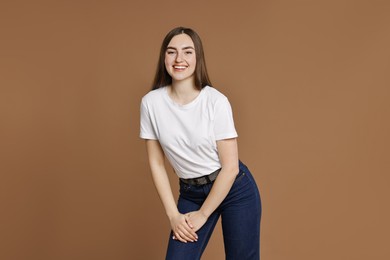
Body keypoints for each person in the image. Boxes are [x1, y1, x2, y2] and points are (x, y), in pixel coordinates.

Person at [140, 26, 262, 260]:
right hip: (191, 192)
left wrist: (204, 214)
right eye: (171, 52)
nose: (179, 59)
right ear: (163, 57)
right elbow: (156, 164)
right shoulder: (151, 104)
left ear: (198, 58)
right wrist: (174, 216)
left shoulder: (216, 102)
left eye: (187, 52)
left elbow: (230, 167)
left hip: (234, 189)